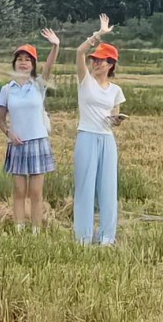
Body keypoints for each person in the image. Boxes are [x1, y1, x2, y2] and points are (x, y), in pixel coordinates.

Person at [0, 29, 60, 234]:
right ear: (14, 63)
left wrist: (55, 45)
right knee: (19, 190)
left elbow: (50, 66)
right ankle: (18, 228)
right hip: (17, 144)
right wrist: (9, 134)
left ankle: (36, 229)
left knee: (35, 191)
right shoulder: (7, 89)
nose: (23, 63)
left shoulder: (39, 84)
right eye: (20, 59)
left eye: (27, 60)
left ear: (33, 65)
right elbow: (0, 120)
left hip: (38, 142)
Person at [73, 13, 126, 245]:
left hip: (107, 138)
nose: (96, 63)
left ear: (110, 65)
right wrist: (99, 34)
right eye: (94, 59)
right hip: (87, 136)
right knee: (85, 187)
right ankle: (83, 237)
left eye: (101, 61)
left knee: (108, 189)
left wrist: (116, 120)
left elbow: (113, 116)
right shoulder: (85, 81)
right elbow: (79, 52)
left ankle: (107, 237)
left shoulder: (115, 90)